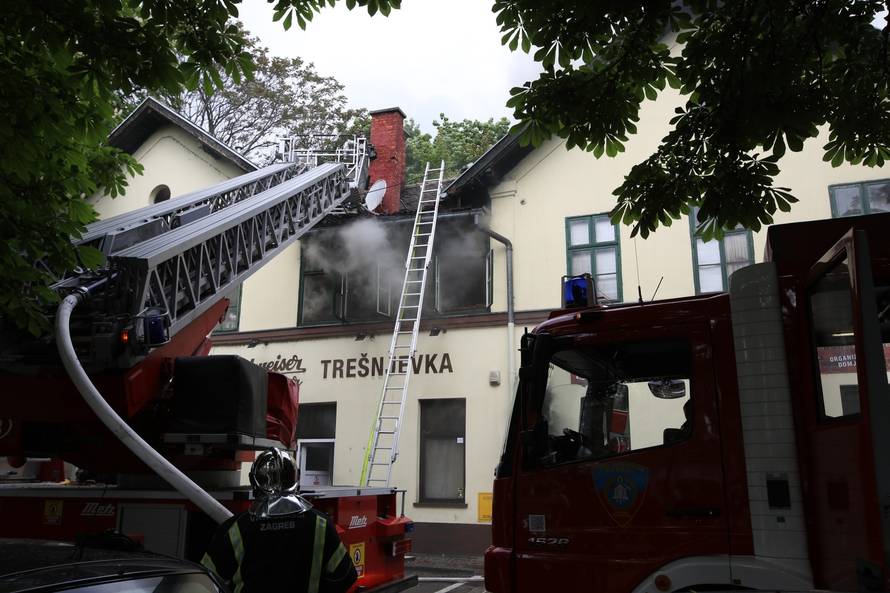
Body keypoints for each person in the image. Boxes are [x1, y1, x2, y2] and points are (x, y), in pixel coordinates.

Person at [201, 448, 357, 593]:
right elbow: (345, 577)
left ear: (254, 481)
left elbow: (206, 581)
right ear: (296, 478)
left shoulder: (235, 528)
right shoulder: (320, 525)